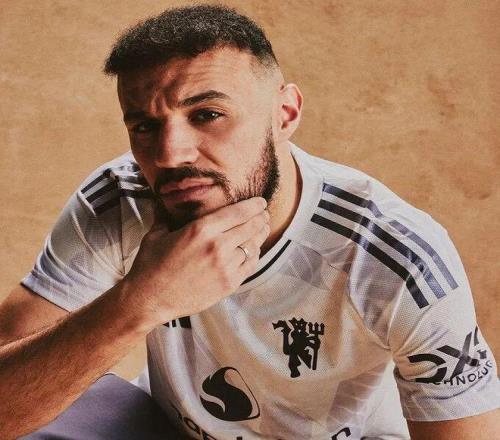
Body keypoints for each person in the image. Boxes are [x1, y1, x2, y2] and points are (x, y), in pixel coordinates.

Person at [0, 4, 498, 439]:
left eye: (207, 114)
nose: (170, 155)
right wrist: (141, 301)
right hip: (168, 429)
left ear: (285, 113)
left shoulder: (397, 253)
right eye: (145, 126)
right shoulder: (121, 199)